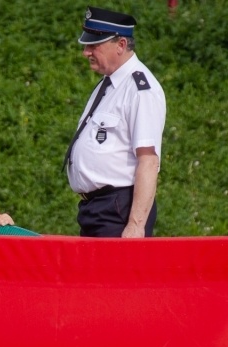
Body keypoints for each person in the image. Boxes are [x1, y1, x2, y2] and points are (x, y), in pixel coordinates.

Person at [63, 6, 166, 238]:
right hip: (97, 209)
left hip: (118, 209)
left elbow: (149, 160)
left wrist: (136, 225)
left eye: (94, 46)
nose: (86, 52)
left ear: (120, 45)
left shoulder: (140, 90)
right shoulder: (108, 83)